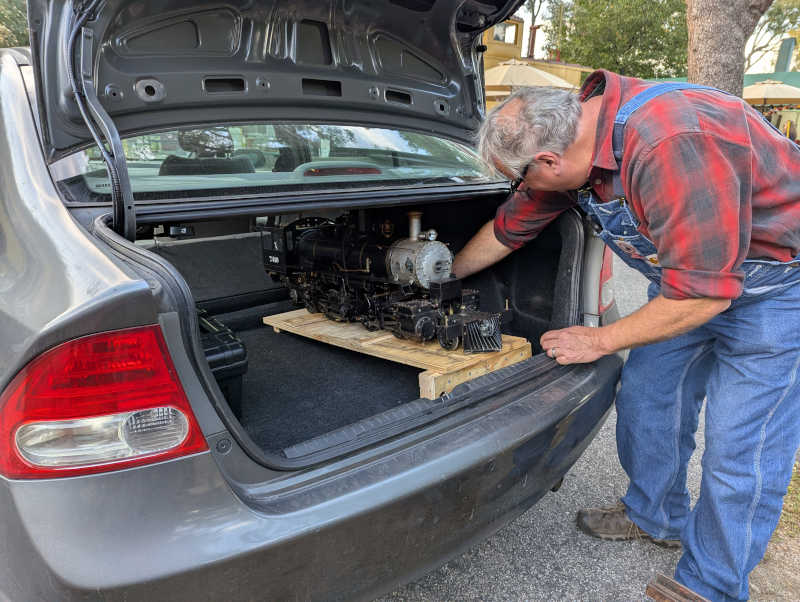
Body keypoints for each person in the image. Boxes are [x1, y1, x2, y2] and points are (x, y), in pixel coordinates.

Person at [452, 70, 800, 601]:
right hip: (687, 282)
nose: (522, 188)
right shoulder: (575, 142)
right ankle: (656, 516)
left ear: (548, 163)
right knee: (647, 400)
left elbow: (706, 297)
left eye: (520, 177)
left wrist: (598, 340)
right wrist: (439, 275)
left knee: (738, 449)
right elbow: (510, 227)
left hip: (776, 288)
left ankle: (710, 587)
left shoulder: (669, 139)